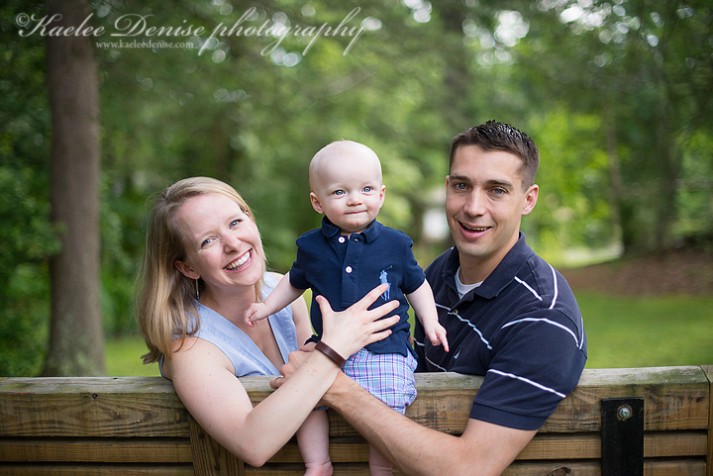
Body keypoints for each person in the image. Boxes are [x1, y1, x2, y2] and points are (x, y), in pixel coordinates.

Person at [276, 121, 588, 475]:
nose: (473, 207)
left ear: (528, 199)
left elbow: (469, 469)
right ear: (446, 189)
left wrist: (327, 381)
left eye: (497, 190)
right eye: (461, 185)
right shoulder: (438, 272)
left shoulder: (543, 319)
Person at [135, 176, 401, 475]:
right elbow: (252, 443)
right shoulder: (190, 348)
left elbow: (315, 377)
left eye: (235, 222)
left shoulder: (283, 294)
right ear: (187, 267)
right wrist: (334, 347)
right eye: (208, 240)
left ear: (251, 219)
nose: (233, 244)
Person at [245, 140, 448, 475]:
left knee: (386, 405)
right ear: (317, 202)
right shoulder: (311, 246)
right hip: (327, 349)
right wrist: (266, 307)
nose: (355, 199)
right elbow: (295, 282)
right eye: (340, 192)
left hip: (384, 348)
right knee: (305, 399)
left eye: (366, 189)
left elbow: (417, 285)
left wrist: (431, 321)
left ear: (381, 195)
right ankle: (318, 462)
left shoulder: (396, 244)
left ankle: (381, 469)